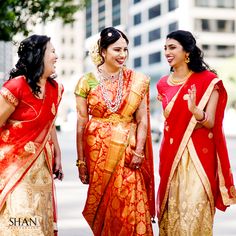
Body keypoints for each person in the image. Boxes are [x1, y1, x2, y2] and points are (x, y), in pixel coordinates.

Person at [74, 27, 155, 235]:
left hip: (129, 152)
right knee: (105, 205)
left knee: (130, 203)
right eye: (117, 50)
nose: (122, 55)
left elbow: (143, 119)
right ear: (103, 51)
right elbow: (81, 123)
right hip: (97, 153)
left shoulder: (137, 80)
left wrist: (138, 152)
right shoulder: (87, 81)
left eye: (125, 50)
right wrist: (81, 162)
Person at [156, 29, 236, 235]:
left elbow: (210, 122)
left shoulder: (209, 81)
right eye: (165, 48)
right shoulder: (163, 84)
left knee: (194, 213)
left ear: (187, 52)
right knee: (172, 212)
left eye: (172, 47)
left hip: (199, 159)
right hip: (172, 159)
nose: (167, 52)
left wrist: (195, 111)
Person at [0, 35, 64, 236]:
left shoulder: (55, 89)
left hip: (42, 169)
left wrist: (58, 155)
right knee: (22, 223)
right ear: (38, 56)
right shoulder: (16, 87)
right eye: (52, 52)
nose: (56, 56)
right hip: (14, 169)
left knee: (39, 219)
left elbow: (50, 122)